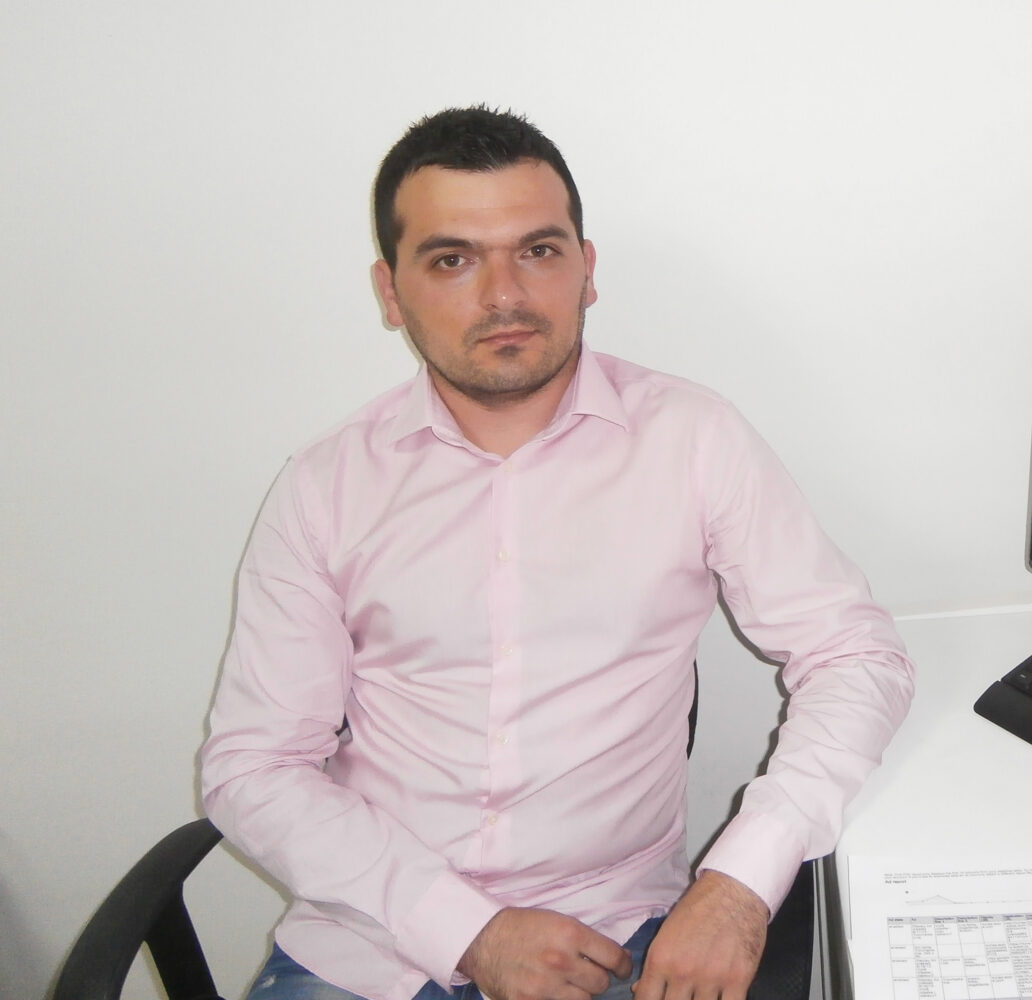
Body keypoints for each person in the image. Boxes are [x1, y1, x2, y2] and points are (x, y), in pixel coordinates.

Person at [198, 107, 916, 1000]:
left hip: (612, 933)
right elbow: (254, 765)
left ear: (587, 269)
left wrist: (741, 880)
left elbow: (855, 655)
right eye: (453, 259)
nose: (504, 295)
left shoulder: (693, 440)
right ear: (390, 293)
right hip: (371, 944)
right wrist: (467, 933)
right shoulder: (324, 487)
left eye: (537, 250)